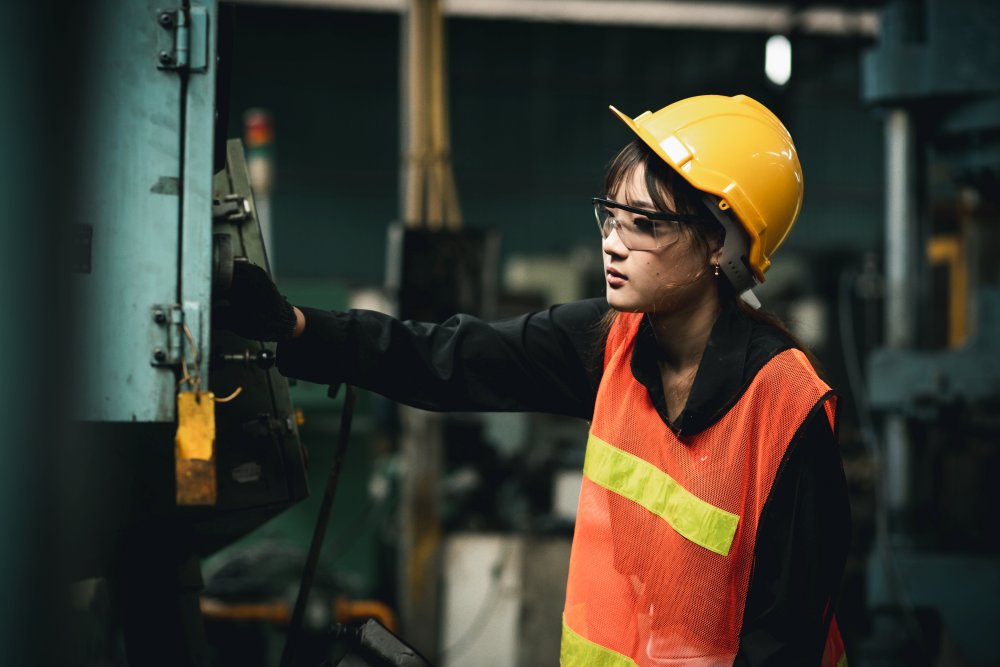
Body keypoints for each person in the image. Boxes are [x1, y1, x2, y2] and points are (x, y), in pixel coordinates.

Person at [218, 94, 851, 666]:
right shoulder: (611, 344)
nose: (613, 243)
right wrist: (299, 328)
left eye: (645, 224)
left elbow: (785, 637)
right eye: (610, 215)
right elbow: (450, 359)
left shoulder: (787, 407)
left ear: (721, 245)